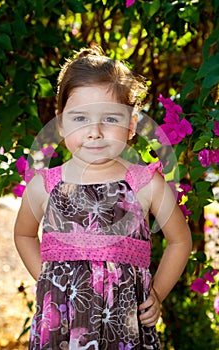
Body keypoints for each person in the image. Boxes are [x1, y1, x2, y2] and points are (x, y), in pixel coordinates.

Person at [14, 47, 192, 349]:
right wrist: (47, 282)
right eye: (80, 118)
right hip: (62, 324)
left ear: (132, 125)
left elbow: (180, 240)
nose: (94, 132)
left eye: (109, 119)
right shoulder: (45, 185)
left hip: (124, 322)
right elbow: (23, 234)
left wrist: (158, 293)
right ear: (60, 124)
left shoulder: (145, 183)